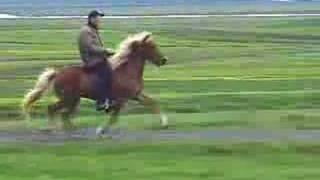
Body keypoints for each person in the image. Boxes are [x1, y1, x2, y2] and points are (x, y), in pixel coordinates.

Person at [78, 10, 115, 111]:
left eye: (100, 18)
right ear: (91, 19)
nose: (100, 21)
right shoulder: (86, 31)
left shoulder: (92, 30)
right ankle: (101, 101)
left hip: (98, 59)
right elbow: (90, 47)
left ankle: (110, 100)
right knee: (106, 73)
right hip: (91, 61)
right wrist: (106, 51)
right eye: (98, 18)